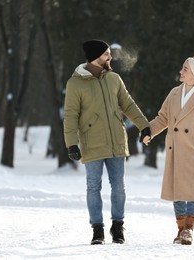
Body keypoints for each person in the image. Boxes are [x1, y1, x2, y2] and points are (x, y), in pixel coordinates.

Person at [63, 39, 151, 245]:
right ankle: (97, 229)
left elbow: (128, 104)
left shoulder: (114, 79)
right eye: (106, 54)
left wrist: (143, 125)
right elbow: (70, 115)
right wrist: (71, 143)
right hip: (91, 142)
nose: (110, 57)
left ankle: (117, 226)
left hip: (116, 141)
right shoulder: (75, 83)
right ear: (95, 57)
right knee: (93, 187)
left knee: (118, 186)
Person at [143, 57, 194, 245]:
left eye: (185, 69)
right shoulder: (174, 93)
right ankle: (180, 229)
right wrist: (148, 131)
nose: (181, 71)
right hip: (175, 149)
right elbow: (162, 118)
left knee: (192, 191)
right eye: (182, 68)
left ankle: (189, 229)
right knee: (177, 191)